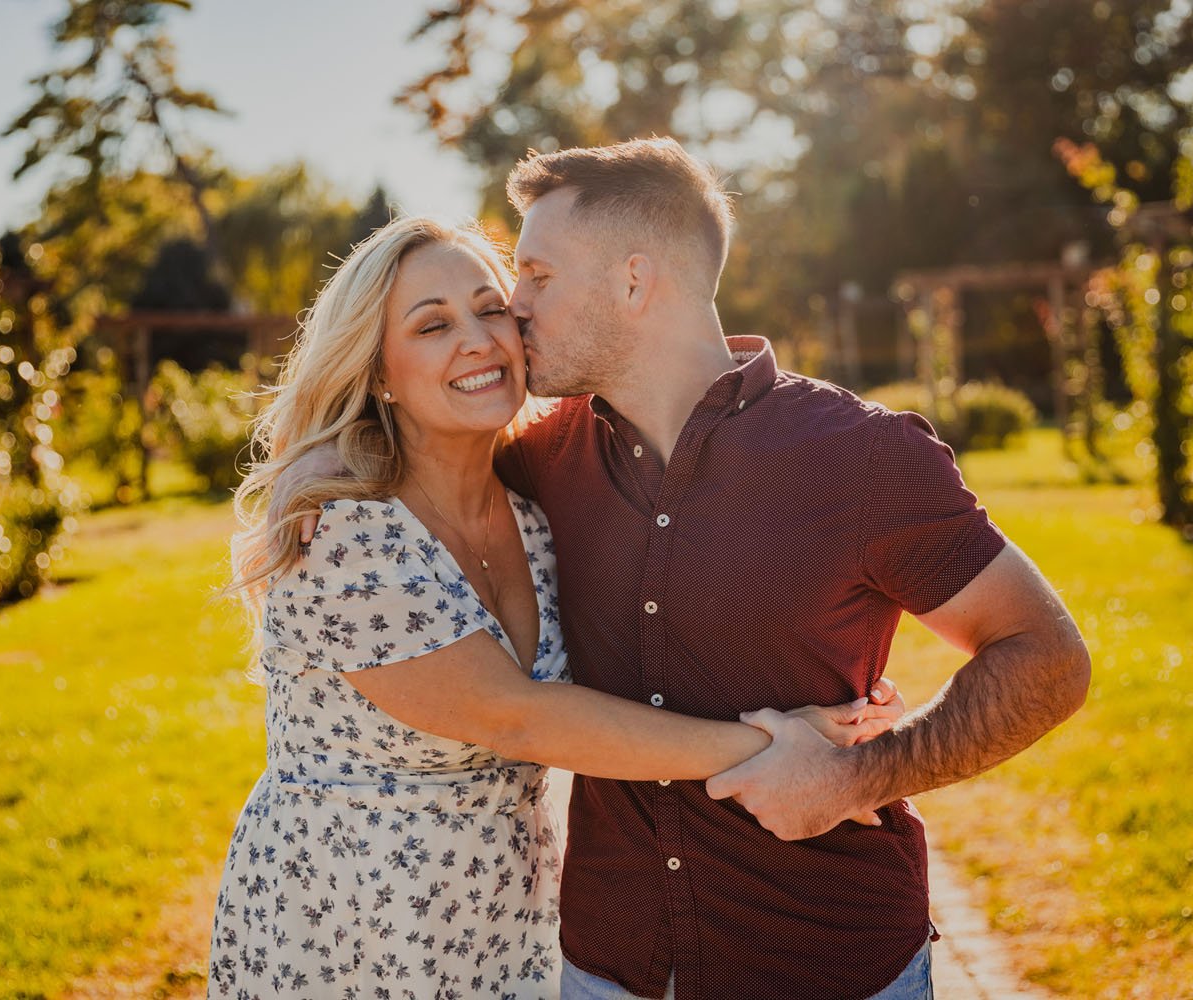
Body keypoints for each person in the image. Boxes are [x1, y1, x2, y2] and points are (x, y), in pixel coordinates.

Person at [281, 137, 1091, 999]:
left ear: (634, 281)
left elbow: (1047, 656)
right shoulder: (542, 461)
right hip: (608, 967)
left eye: (538, 277)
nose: (514, 308)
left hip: (829, 962)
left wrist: (862, 772)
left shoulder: (861, 456)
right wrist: (308, 482)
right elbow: (411, 458)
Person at [209, 215, 902, 999]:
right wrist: (771, 747)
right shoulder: (345, 529)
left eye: (490, 308)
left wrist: (824, 683)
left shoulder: (535, 510)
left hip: (507, 917)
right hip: (355, 921)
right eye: (433, 325)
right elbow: (517, 715)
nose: (477, 339)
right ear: (377, 374)